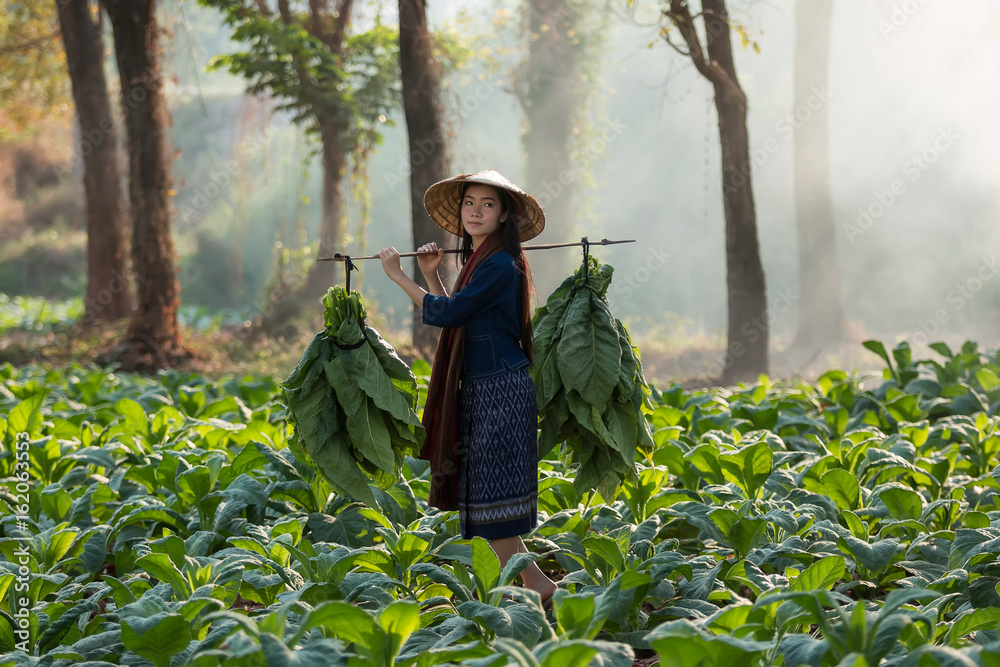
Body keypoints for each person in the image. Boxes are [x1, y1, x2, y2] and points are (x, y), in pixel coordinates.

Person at [376, 169, 557, 604]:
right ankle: (537, 585)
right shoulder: (482, 262)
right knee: (487, 502)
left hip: (500, 389)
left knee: (493, 503)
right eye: (469, 202)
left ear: (503, 216)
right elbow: (459, 317)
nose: (475, 211)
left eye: (488, 204)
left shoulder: (498, 265)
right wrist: (431, 274)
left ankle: (520, 589)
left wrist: (400, 277)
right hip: (484, 389)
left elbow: (449, 315)